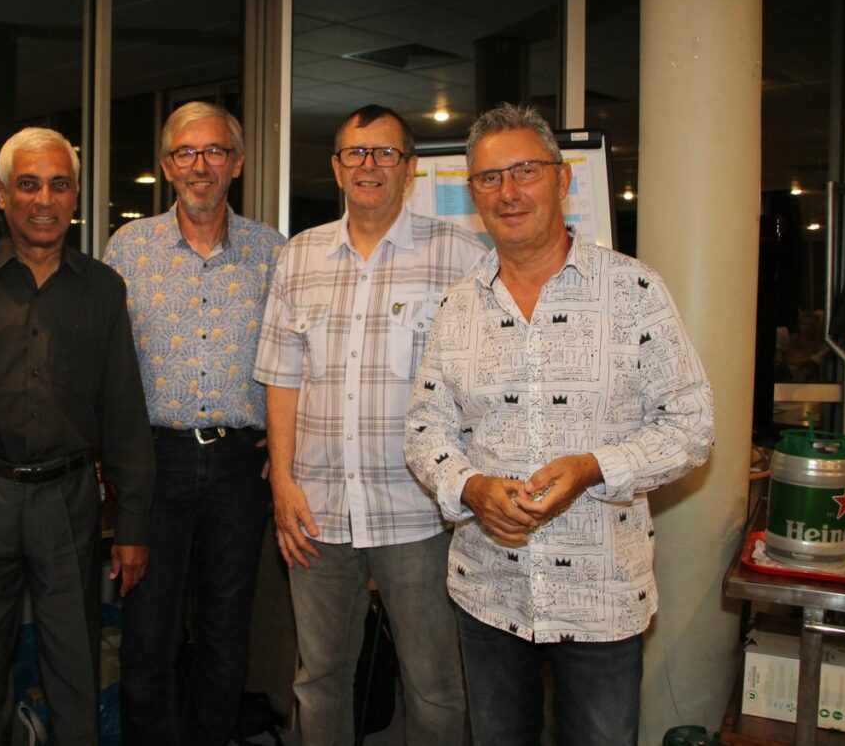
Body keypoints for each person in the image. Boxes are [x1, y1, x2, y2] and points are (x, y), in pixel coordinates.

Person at [404, 103, 714, 746]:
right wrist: (471, 488)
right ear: (473, 195)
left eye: (525, 171)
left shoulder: (633, 291)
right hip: (489, 589)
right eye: (489, 178)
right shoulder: (458, 306)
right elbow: (425, 429)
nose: (508, 192)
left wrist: (592, 468)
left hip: (601, 594)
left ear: (563, 178)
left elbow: (691, 426)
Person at [0, 126, 156, 746]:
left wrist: (132, 525)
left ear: (76, 196)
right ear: (1, 193)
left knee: (74, 663)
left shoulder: (102, 288)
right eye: (28, 184)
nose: (44, 200)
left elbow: (123, 411)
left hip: (70, 498)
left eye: (59, 185)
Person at [254, 104, 481, 744]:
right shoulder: (300, 256)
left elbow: (482, 386)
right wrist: (283, 486)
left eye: (385, 153)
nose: (369, 165)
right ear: (336, 167)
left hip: (418, 511)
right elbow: (281, 378)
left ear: (409, 168)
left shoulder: (458, 256)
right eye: (356, 153)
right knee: (319, 679)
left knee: (434, 686)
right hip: (318, 509)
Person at [105, 102, 285, 745]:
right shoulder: (129, 248)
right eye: (185, 152)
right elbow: (107, 363)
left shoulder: (272, 251)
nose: (199, 165)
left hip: (241, 466)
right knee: (147, 630)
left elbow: (297, 359)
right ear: (166, 166)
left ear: (237, 163)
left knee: (225, 628)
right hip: (156, 462)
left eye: (214, 151)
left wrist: (284, 444)